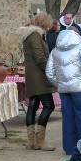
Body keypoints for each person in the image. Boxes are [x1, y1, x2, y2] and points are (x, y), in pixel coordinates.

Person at [46, 28, 81, 157]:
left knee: (68, 117)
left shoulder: (55, 51)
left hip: (64, 89)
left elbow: (49, 73)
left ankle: (69, 148)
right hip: (80, 87)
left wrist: (60, 84)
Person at [18, 13, 56, 151]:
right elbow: (40, 58)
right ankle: (39, 141)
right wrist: (50, 73)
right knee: (49, 105)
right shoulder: (34, 36)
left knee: (33, 106)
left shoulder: (32, 35)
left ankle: (32, 141)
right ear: (45, 24)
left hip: (34, 76)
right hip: (38, 77)